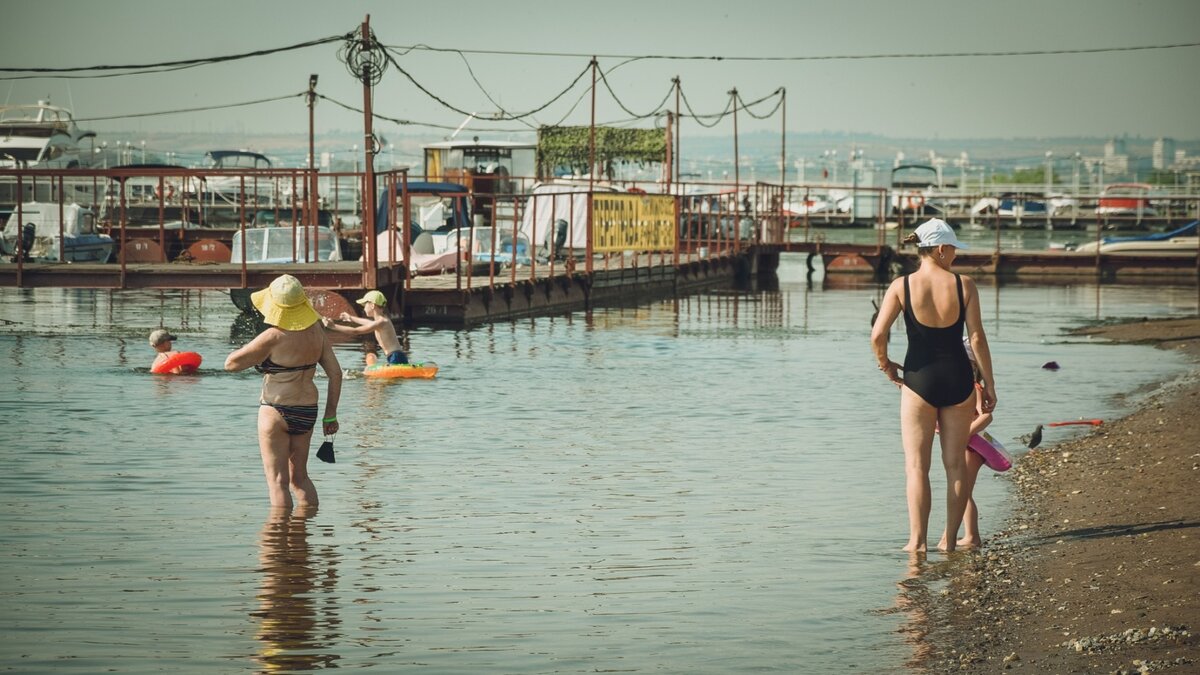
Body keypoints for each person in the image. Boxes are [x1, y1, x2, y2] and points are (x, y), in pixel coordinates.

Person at [870, 218, 997, 553]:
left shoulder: (902, 286)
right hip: (958, 379)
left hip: (918, 380)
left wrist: (887, 367)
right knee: (955, 464)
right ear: (941, 249)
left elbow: (877, 335)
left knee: (916, 467)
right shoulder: (964, 285)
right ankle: (950, 543)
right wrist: (991, 385)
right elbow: (977, 338)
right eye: (953, 248)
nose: (954, 255)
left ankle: (917, 543)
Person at [225, 274, 342, 508]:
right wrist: (331, 415)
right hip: (307, 410)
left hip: (276, 409)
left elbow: (231, 364)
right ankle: (304, 533)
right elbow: (336, 374)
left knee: (277, 481)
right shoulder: (317, 332)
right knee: (300, 479)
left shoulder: (272, 337)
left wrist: (257, 349)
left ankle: (278, 538)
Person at [937, 340, 994, 550]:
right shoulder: (957, 389)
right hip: (966, 445)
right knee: (965, 492)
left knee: (962, 491)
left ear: (975, 368)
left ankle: (968, 536)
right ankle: (972, 535)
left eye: (969, 365)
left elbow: (986, 417)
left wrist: (964, 434)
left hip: (972, 447)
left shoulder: (974, 388)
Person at [321, 289, 408, 367]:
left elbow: (356, 331)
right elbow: (368, 323)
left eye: (365, 305)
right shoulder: (382, 320)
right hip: (395, 356)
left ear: (372, 305)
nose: (364, 308)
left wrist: (333, 326)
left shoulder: (382, 322)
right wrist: (351, 318)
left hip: (396, 357)